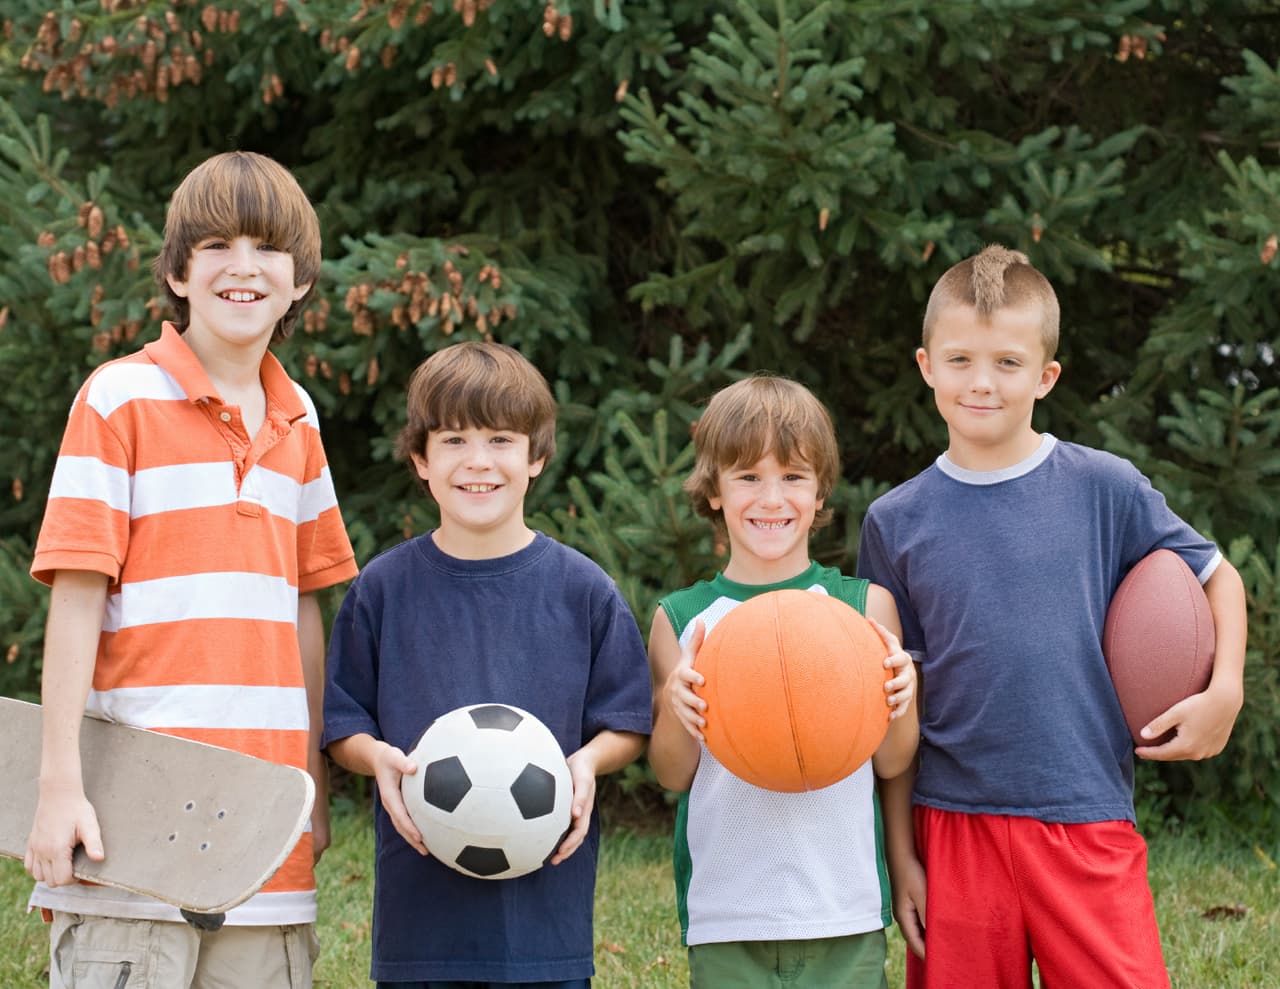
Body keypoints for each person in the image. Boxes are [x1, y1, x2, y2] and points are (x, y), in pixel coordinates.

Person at [857, 244, 1248, 989]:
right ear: (926, 365)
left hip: (1085, 812)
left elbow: (1218, 577)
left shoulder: (1105, 488)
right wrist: (903, 854)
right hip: (953, 821)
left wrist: (1224, 688)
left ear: (1046, 376)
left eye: (1007, 363)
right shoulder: (895, 520)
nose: (981, 382)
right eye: (961, 358)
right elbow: (891, 699)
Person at [25, 151, 358, 987]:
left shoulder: (300, 418)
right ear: (178, 270)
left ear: (300, 280)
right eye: (217, 245)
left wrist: (308, 784)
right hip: (130, 829)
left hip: (263, 834)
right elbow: (74, 596)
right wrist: (58, 783)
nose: (242, 267)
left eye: (267, 248)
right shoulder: (117, 399)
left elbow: (302, 609)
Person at [322, 340, 652, 988]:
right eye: (453, 440)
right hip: (421, 924)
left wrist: (587, 761)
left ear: (536, 457)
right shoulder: (383, 590)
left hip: (544, 926)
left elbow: (628, 721)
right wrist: (374, 757)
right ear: (421, 458)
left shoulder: (582, 590)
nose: (478, 461)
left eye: (501, 439)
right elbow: (342, 720)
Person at [649, 374, 919, 989]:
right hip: (728, 913)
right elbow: (671, 775)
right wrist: (676, 707)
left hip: (842, 906)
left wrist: (901, 702)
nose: (771, 498)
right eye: (748, 477)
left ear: (820, 492)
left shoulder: (863, 608)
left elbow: (892, 762)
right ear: (713, 491)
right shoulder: (682, 620)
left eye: (793, 477)